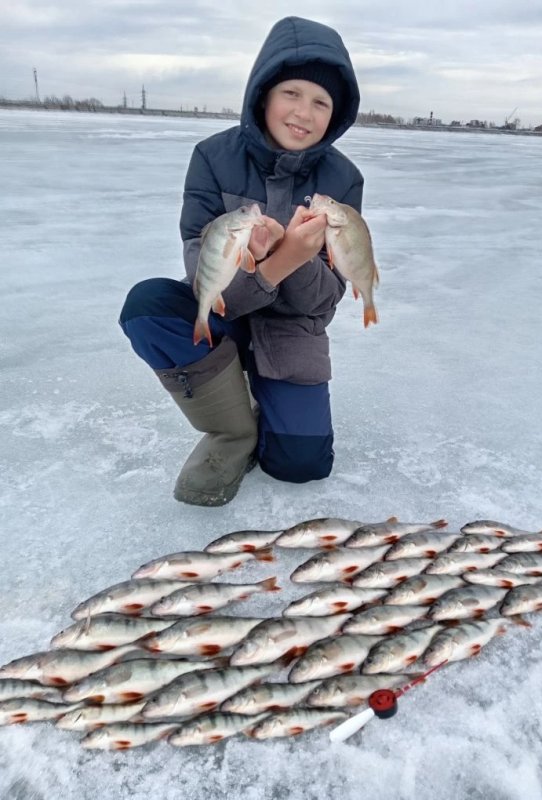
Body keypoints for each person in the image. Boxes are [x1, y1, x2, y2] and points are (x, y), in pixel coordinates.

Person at [119, 16, 363, 507]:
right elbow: (202, 273)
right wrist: (272, 265)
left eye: (321, 102)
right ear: (264, 93)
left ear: (336, 115)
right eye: (291, 93)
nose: (303, 112)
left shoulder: (343, 180)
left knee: (301, 464)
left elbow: (326, 297)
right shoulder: (212, 157)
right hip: (226, 314)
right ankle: (233, 430)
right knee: (147, 306)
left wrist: (296, 259)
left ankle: (267, 402)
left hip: (293, 329)